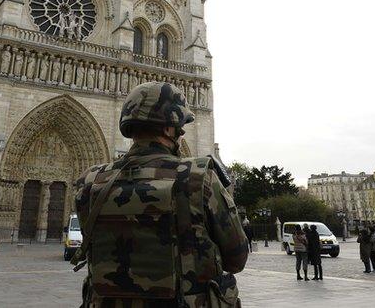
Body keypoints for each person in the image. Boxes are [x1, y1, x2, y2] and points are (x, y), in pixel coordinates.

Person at [74, 82, 247, 307]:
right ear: (168, 128)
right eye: (180, 128)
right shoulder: (198, 178)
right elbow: (237, 259)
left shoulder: (90, 182)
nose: (181, 134)